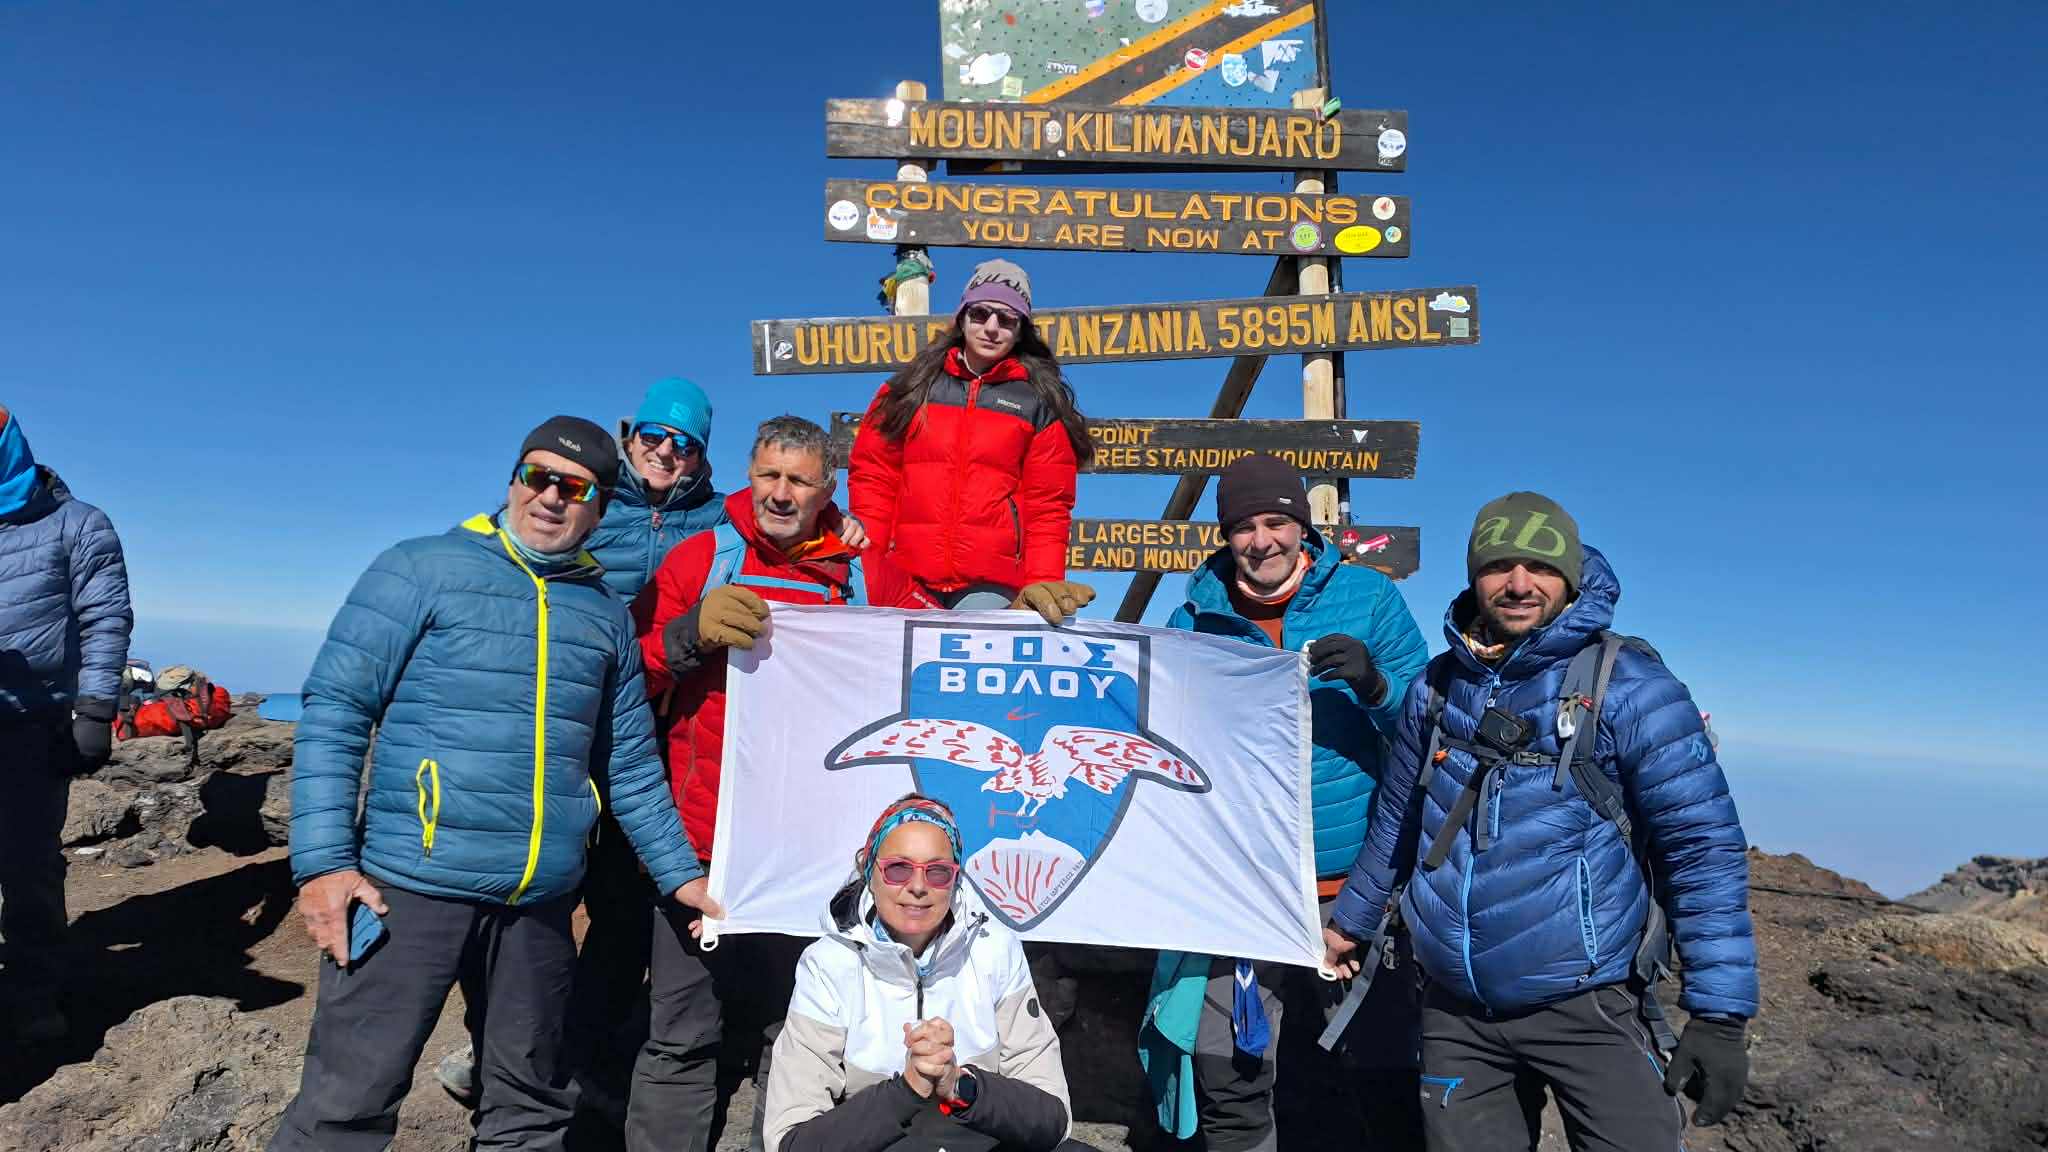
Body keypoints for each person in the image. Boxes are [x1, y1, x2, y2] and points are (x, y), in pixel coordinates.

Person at [627, 415, 1093, 1152]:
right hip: (708, 849)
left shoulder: (863, 570)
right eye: (770, 475)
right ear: (750, 474)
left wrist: (1017, 620)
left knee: (796, 1036)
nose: (782, 494)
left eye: (800, 480)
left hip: (813, 855)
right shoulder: (704, 558)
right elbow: (628, 674)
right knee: (683, 1036)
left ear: (827, 489)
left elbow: (937, 643)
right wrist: (688, 634)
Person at [272, 416, 721, 1152]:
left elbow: (631, 765)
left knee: (531, 1114)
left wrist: (682, 877)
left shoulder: (604, 615)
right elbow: (337, 711)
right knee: (346, 1107)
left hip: (538, 907)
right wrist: (323, 866)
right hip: (409, 887)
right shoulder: (420, 568)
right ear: (513, 479)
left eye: (575, 487)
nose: (551, 497)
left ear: (600, 506)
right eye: (537, 476)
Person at [1326, 492, 1757, 1150]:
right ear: (1474, 576)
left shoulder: (1632, 687)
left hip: (1589, 1001)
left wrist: (1720, 1013)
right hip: (1455, 1010)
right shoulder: (1436, 689)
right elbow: (1398, 818)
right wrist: (1349, 924)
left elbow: (1701, 850)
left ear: (1571, 577)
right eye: (1499, 565)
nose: (1520, 583)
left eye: (1542, 567)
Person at [1142, 455, 1429, 1152]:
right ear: (1226, 537)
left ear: (1303, 526)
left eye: (1276, 521)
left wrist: (1376, 686)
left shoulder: (1369, 598)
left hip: (1351, 885)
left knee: (1383, 1072)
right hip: (1242, 885)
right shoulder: (1194, 619)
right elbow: (1163, 738)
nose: (1262, 540)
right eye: (1244, 526)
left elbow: (1432, 729)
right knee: (1228, 1069)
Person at [760, 794, 1076, 1152]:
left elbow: (1053, 1121)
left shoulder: (996, 950)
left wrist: (961, 1086)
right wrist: (907, 1090)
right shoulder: (827, 964)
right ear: (870, 871)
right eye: (898, 869)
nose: (918, 886)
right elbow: (791, 1141)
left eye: (938, 872)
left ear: (955, 879)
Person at [847, 259, 1091, 609]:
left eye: (1006, 320)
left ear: (1020, 330)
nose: (991, 328)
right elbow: (874, 477)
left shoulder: (1038, 402)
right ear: (962, 317)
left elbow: (1048, 505)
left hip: (989, 585)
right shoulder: (910, 388)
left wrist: (1042, 585)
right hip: (903, 575)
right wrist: (869, 560)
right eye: (980, 314)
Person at [0, 403, 132, 1045]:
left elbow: (105, 618)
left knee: (26, 866)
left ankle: (33, 997)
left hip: (33, 723)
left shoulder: (78, 524)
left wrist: (96, 709)